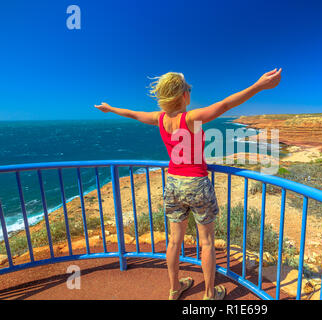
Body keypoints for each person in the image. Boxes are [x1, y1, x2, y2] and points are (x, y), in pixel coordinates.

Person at [94, 68, 282, 299]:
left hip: (173, 183)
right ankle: (210, 294)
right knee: (207, 243)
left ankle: (175, 288)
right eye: (189, 89)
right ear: (184, 95)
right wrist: (259, 86)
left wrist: (110, 109)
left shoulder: (160, 119)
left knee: (174, 241)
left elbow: (134, 114)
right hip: (196, 184)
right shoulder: (191, 118)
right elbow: (225, 105)